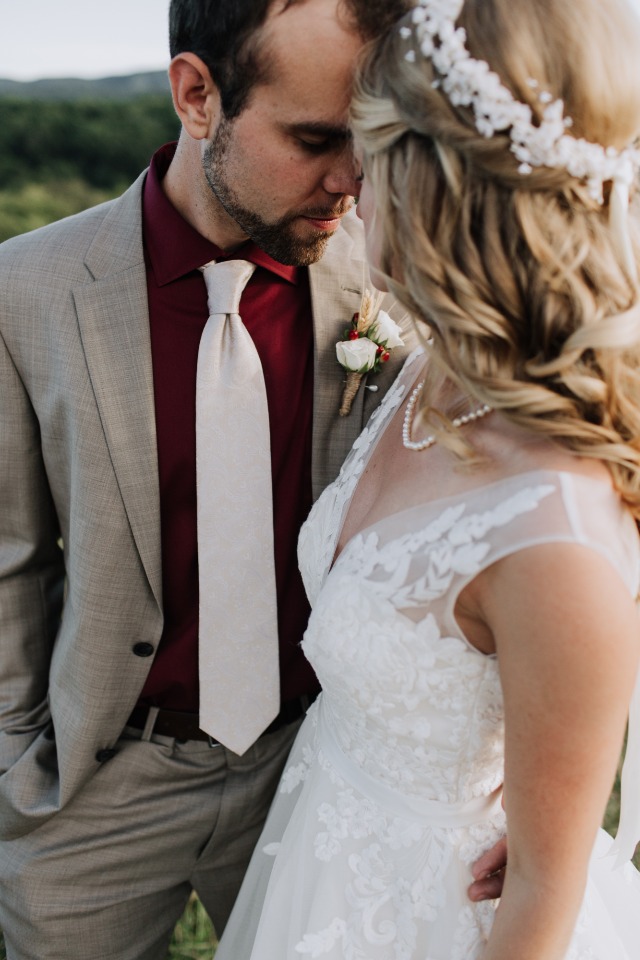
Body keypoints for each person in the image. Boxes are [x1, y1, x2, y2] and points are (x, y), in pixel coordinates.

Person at [214, 0, 640, 957]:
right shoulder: (431, 367)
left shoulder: (557, 538)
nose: (350, 191)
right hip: (323, 838)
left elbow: (540, 892)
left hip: (433, 914)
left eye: (369, 158)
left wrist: (538, 853)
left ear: (435, 189)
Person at [0, 1, 418, 958]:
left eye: (370, 141)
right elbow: (9, 562)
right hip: (94, 788)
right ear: (198, 96)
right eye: (316, 139)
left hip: (319, 770)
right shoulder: (23, 291)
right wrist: (21, 769)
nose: (352, 182)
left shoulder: (392, 285)